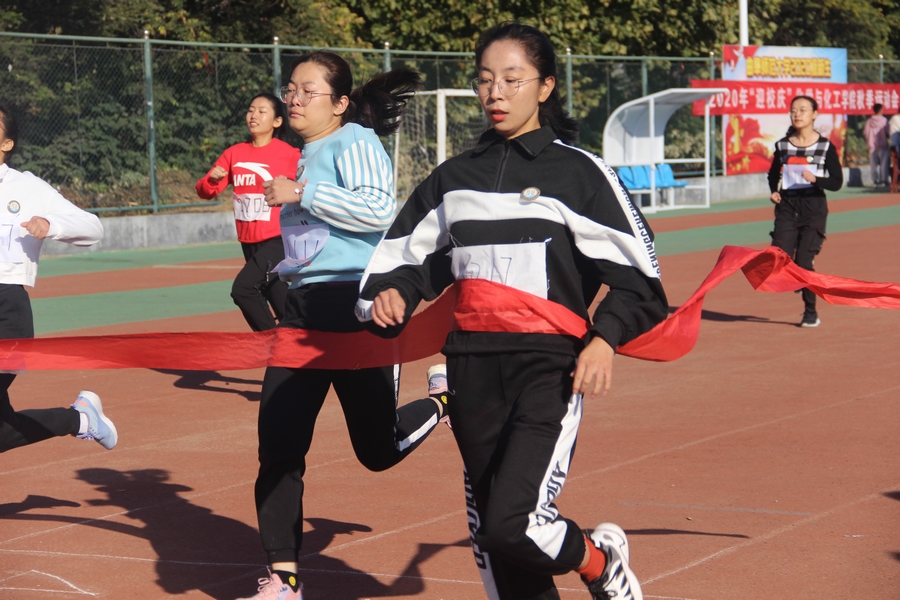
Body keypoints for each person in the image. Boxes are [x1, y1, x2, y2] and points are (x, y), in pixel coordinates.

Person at [357, 23, 667, 600]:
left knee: (513, 523)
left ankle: (601, 562)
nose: (494, 92)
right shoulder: (454, 179)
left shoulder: (579, 174)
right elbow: (406, 259)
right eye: (484, 80)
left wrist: (605, 339)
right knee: (502, 552)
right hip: (470, 369)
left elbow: (640, 282)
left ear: (545, 87)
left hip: (548, 369)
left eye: (511, 79)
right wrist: (394, 291)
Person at [238, 52, 447, 600]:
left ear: (340, 103)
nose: (294, 98)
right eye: (290, 89)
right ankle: (283, 579)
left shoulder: (354, 140)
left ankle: (442, 402)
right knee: (278, 443)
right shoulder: (301, 156)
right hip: (304, 310)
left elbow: (379, 210)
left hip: (359, 307)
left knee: (378, 450)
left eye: (307, 90)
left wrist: (302, 194)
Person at [0, 102, 115, 453]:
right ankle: (80, 420)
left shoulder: (27, 187)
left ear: (7, 144)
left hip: (6, 310)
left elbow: (92, 228)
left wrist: (51, 224)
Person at [196, 93, 299, 331]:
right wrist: (212, 180)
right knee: (278, 297)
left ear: (277, 121)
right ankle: (300, 343)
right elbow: (205, 191)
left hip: (278, 239)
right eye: (251, 110)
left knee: (243, 289)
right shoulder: (234, 154)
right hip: (248, 241)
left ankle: (272, 343)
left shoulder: (290, 154)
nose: (254, 116)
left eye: (262, 111)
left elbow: (307, 186)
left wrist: (293, 188)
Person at [767, 95, 843, 328]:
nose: (797, 114)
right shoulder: (783, 145)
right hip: (787, 206)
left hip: (813, 207)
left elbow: (837, 182)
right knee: (779, 255)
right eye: (793, 110)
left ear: (814, 114)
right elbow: (773, 173)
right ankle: (798, 279)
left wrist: (817, 179)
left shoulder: (825, 146)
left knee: (803, 262)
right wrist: (774, 190)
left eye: (802, 110)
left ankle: (810, 312)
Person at [863, 103, 889, 187]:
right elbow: (888, 132)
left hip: (872, 146)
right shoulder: (884, 120)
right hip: (883, 145)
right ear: (881, 110)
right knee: (884, 164)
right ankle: (884, 181)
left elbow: (866, 132)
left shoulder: (869, 121)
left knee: (873, 165)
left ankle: (875, 181)